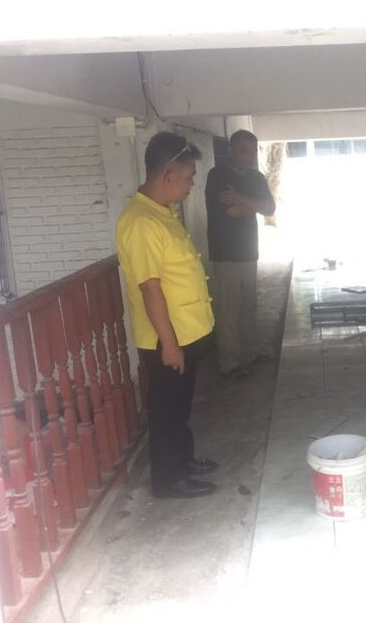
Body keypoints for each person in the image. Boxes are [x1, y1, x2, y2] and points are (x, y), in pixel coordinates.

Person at [116, 131, 218, 499]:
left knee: (180, 405)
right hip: (167, 337)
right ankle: (168, 479)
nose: (191, 185)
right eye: (189, 177)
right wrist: (170, 345)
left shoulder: (160, 212)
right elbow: (150, 288)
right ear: (168, 175)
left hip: (184, 331)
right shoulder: (141, 222)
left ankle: (182, 461)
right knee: (167, 409)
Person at [205, 129, 276, 379]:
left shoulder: (256, 177)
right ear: (232, 150)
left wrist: (241, 198)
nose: (250, 156)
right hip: (225, 253)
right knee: (228, 309)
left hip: (249, 251)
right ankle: (230, 362)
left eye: (253, 151)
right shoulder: (217, 176)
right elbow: (231, 212)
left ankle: (250, 353)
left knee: (249, 306)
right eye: (245, 150)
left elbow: (269, 208)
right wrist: (252, 206)